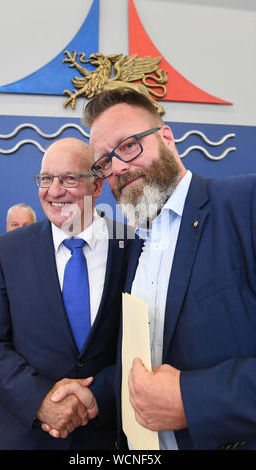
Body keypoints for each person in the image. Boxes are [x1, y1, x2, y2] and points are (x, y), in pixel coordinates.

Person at [48, 88, 256, 451]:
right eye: (104, 162)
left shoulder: (245, 204)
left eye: (128, 146)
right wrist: (96, 394)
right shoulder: (134, 248)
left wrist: (194, 399)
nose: (119, 168)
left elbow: (175, 390)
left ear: (165, 137)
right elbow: (151, 360)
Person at [0, 137, 130, 450]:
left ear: (97, 186)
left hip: (108, 435)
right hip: (26, 435)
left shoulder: (131, 244)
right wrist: (40, 400)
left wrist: (96, 395)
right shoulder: (6, 250)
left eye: (69, 178)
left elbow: (148, 340)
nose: (54, 191)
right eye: (46, 179)